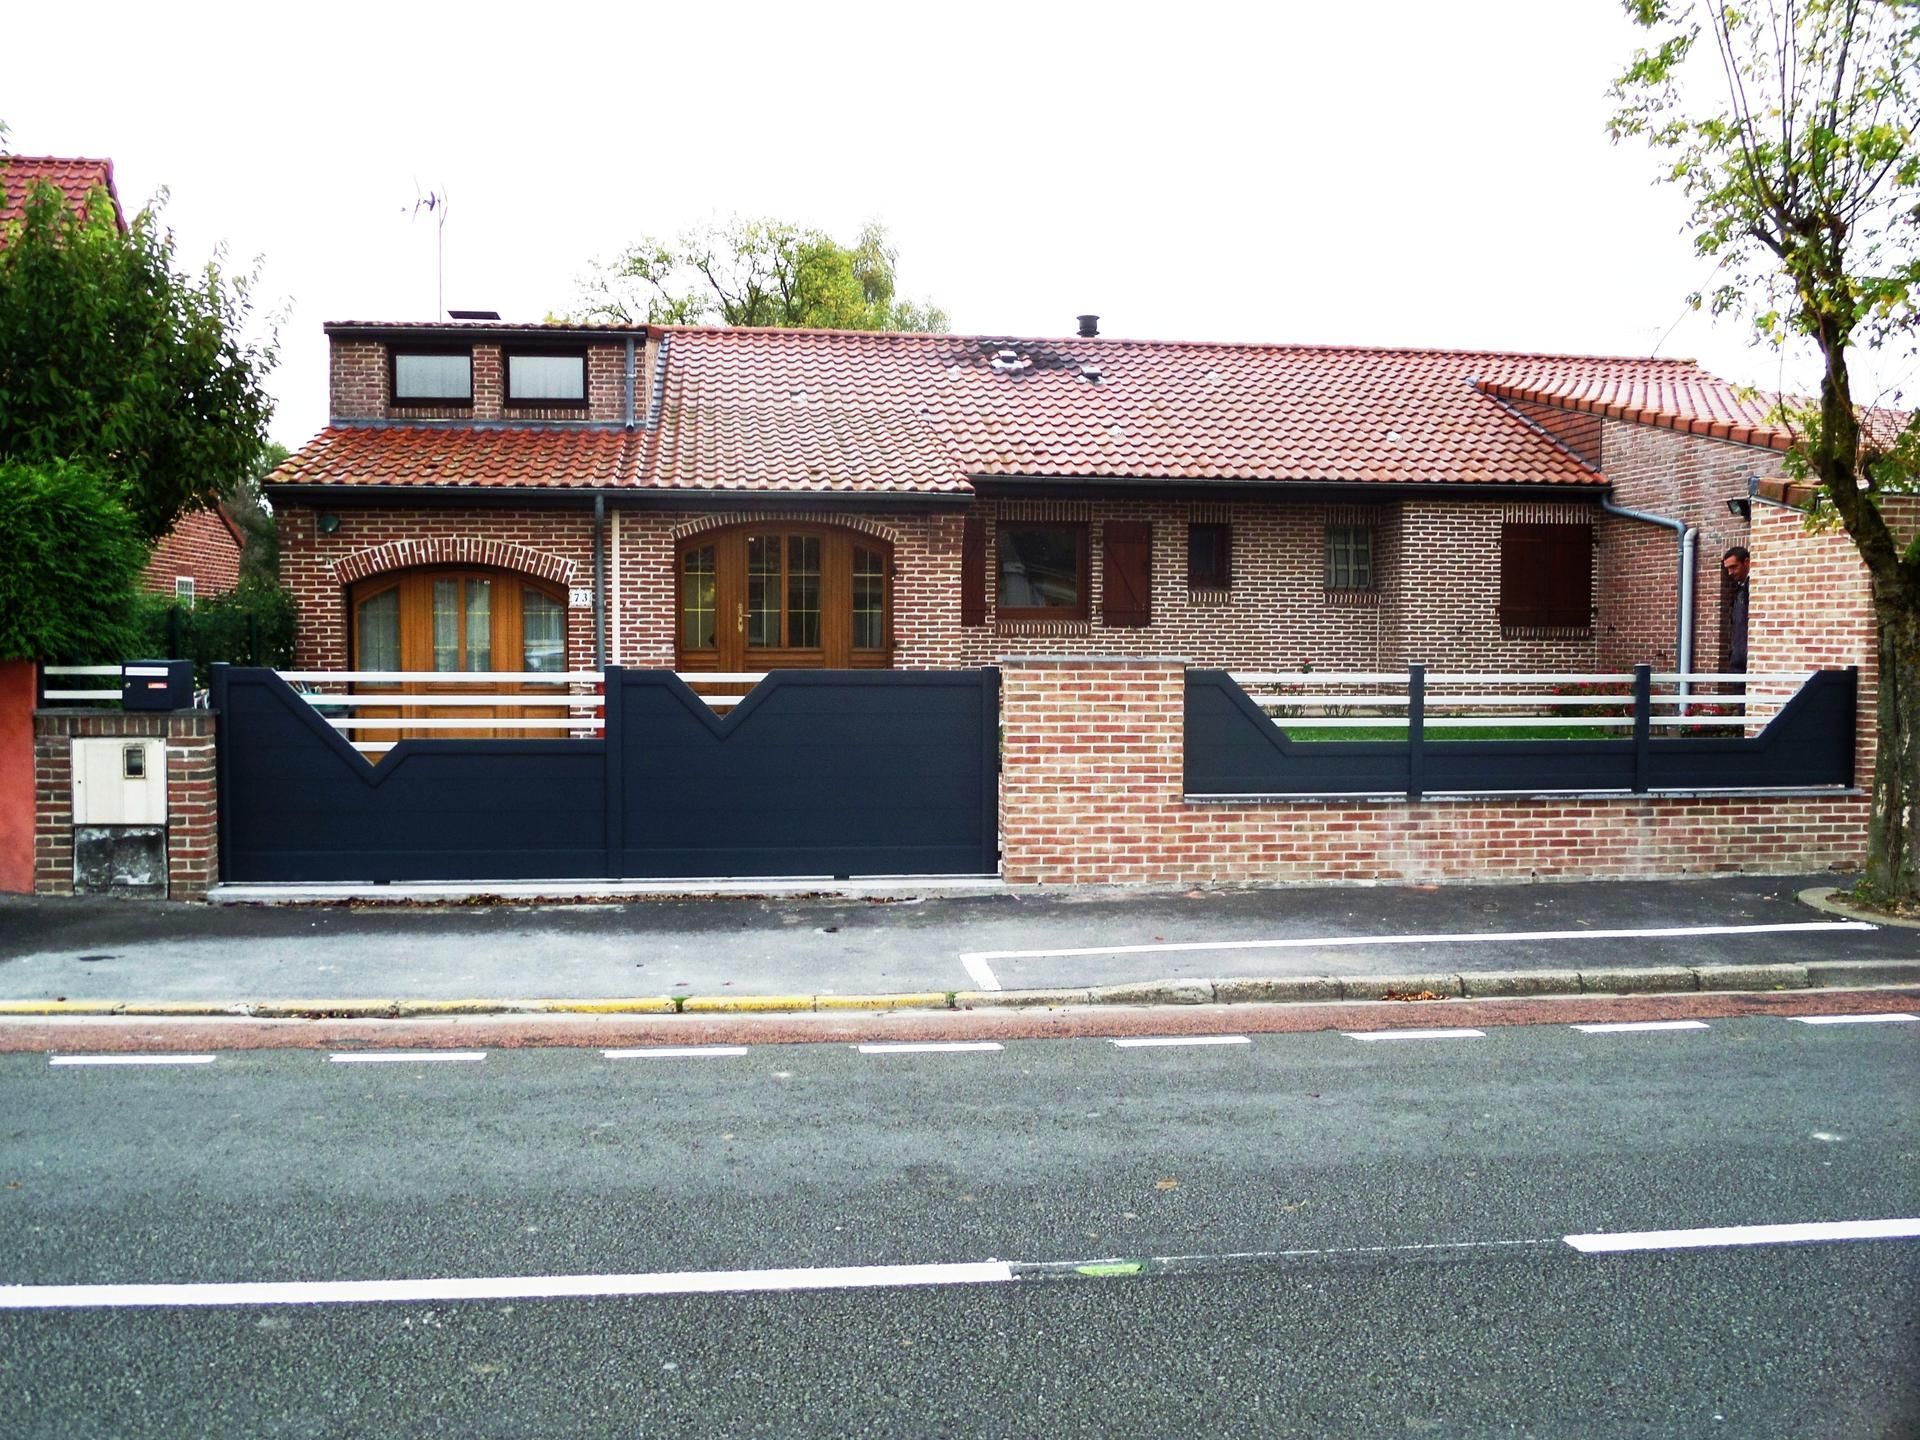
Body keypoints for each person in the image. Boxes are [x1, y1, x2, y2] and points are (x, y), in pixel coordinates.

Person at [1722, 546, 1750, 674]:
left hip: (1747, 661)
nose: (1730, 573)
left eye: (1734, 567)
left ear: (1747, 562)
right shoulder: (1739, 589)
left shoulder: (1751, 588)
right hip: (1738, 661)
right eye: (1728, 569)